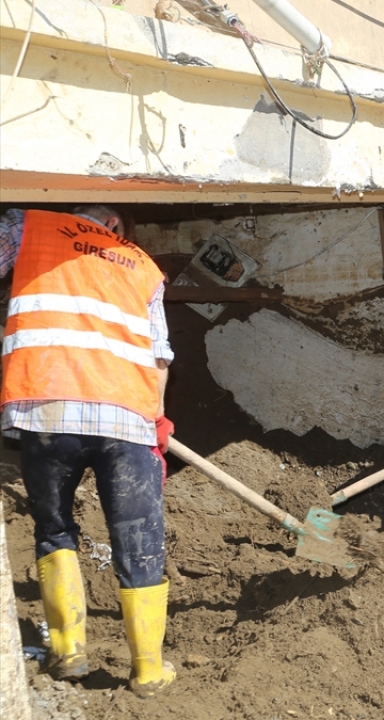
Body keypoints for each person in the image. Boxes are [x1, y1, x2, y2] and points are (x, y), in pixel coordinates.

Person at [0, 206, 176, 697]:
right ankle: (148, 670)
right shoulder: (143, 265)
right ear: (116, 228)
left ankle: (69, 650)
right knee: (138, 539)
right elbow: (160, 356)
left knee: (54, 528)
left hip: (48, 409)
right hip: (126, 416)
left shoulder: (28, 226)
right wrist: (156, 417)